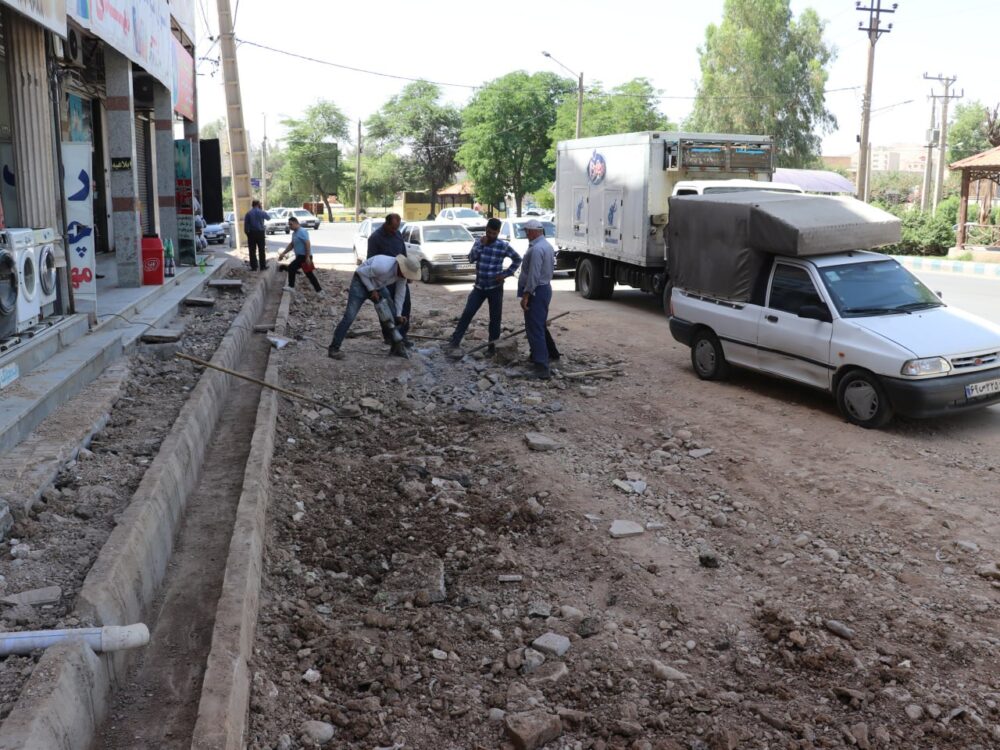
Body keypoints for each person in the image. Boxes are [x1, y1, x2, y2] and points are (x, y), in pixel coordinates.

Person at [447, 217, 521, 354]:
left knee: (495, 319)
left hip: (495, 288)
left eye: (494, 233)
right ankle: (455, 341)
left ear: (498, 232)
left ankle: (492, 348)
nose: (491, 236)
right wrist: (481, 245)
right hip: (479, 287)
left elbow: (517, 259)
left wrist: (505, 274)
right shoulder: (479, 242)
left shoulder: (503, 246)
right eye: (489, 232)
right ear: (486, 230)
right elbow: (471, 259)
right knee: (468, 313)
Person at [328, 253, 421, 358]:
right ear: (402, 267)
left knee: (393, 314)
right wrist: (371, 290)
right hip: (360, 282)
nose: (407, 277)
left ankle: (396, 348)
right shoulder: (383, 266)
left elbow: (400, 294)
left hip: (378, 285)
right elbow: (360, 272)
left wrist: (398, 314)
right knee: (349, 316)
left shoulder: (402, 276)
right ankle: (334, 348)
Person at [518, 219, 556, 380]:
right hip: (544, 289)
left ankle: (541, 366)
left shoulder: (537, 249)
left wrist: (526, 295)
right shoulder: (546, 245)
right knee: (539, 325)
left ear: (534, 231)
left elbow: (533, 275)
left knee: (534, 328)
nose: (526, 234)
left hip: (537, 291)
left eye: (527, 231)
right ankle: (551, 354)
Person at [366, 213, 412, 344]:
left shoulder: (397, 234)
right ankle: (389, 337)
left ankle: (402, 336)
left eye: (396, 228)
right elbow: (370, 262)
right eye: (392, 228)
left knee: (405, 305)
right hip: (384, 280)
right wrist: (373, 286)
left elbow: (403, 254)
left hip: (399, 275)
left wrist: (408, 273)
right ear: (386, 224)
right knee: (386, 309)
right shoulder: (375, 238)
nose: (394, 231)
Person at [277, 216, 322, 293]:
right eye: (289, 224)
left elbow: (307, 243)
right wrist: (283, 253)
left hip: (304, 256)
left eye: (291, 224)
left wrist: (307, 257)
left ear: (296, 223)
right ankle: (319, 290)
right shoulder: (294, 233)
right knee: (308, 274)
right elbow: (292, 245)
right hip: (300, 257)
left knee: (293, 268)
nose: (289, 226)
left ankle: (291, 286)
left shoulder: (302, 231)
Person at [244, 199, 269, 271]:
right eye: (260, 204)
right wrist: (262, 210)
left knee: (252, 250)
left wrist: (248, 234)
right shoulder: (261, 212)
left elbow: (246, 226)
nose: (261, 205)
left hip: (251, 233)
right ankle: (262, 266)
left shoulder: (248, 213)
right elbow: (268, 218)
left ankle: (254, 267)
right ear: (258, 204)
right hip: (260, 233)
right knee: (261, 250)